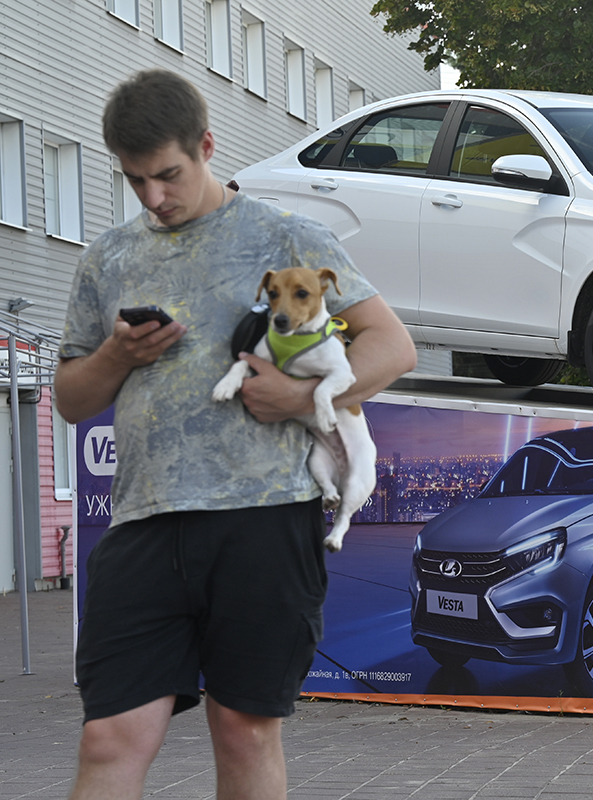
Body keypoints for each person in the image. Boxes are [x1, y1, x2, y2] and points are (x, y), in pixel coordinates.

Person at [55, 69, 416, 800]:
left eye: (167, 175)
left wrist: (306, 393)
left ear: (207, 146)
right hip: (144, 522)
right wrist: (115, 356)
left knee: (244, 729)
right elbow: (69, 397)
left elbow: (391, 346)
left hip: (264, 520)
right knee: (109, 734)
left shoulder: (284, 235)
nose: (154, 198)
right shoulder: (107, 259)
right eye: (135, 181)